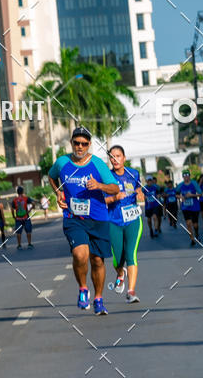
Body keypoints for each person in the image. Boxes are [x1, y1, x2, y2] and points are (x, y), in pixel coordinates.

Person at [48, 126, 120, 314]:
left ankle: (98, 298)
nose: (80, 147)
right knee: (80, 255)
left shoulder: (97, 163)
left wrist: (99, 185)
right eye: (76, 143)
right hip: (74, 218)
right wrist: (58, 194)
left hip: (98, 218)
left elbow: (115, 188)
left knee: (97, 260)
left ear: (89, 145)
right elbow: (51, 176)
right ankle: (82, 288)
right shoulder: (62, 162)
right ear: (71, 143)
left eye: (84, 144)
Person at [105, 145, 144, 302]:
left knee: (130, 254)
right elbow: (101, 200)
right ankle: (120, 274)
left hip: (133, 219)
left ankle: (131, 291)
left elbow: (139, 189)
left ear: (124, 158)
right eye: (112, 157)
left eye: (118, 156)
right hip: (114, 221)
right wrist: (114, 198)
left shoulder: (133, 174)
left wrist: (140, 193)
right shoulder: (106, 177)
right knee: (117, 259)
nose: (115, 159)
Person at [177, 169, 201, 246]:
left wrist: (192, 195)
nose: (186, 177)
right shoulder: (180, 185)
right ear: (183, 177)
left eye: (187, 176)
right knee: (188, 223)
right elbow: (176, 194)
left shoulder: (194, 183)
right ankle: (192, 239)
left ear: (189, 176)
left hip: (194, 207)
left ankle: (197, 233)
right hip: (185, 207)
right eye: (184, 176)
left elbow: (200, 194)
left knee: (195, 224)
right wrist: (181, 197)